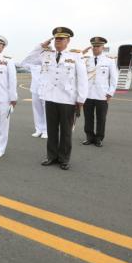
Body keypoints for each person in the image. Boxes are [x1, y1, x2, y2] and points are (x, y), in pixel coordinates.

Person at [22, 27, 87, 170]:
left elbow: (82, 79)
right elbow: (26, 61)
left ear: (68, 41)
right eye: (56, 38)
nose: (58, 41)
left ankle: (64, 158)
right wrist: (40, 46)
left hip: (67, 99)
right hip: (50, 97)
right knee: (51, 130)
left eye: (61, 39)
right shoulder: (46, 54)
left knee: (65, 131)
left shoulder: (76, 56)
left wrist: (81, 99)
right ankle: (51, 156)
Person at [81, 37, 118, 147]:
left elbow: (113, 78)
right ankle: (89, 136)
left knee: (101, 118)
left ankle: (99, 138)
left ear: (103, 47)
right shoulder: (87, 60)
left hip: (102, 94)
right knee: (88, 117)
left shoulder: (109, 61)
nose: (95, 48)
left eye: (98, 46)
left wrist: (110, 92)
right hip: (88, 94)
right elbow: (83, 78)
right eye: (94, 46)